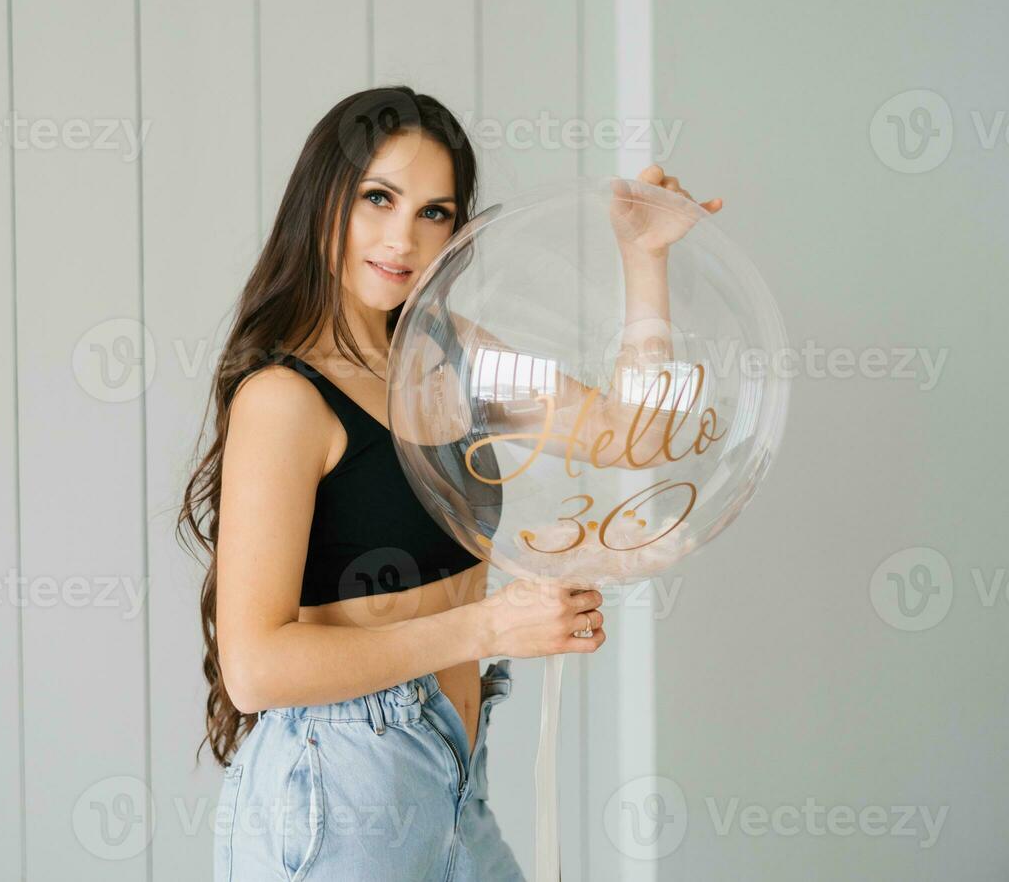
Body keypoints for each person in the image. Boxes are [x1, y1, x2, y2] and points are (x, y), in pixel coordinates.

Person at [177, 85, 710, 880]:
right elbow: (255, 670)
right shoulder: (285, 399)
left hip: (455, 778)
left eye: (435, 212)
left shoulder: (449, 354)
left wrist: (645, 261)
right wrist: (491, 630)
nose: (403, 238)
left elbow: (636, 436)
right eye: (378, 198)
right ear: (323, 200)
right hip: (342, 791)